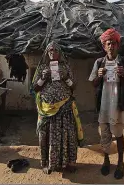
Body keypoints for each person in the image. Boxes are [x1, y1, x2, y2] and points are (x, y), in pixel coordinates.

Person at [88, 28, 124, 179]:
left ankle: (121, 162)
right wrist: (99, 76)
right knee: (105, 135)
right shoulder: (99, 62)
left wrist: (123, 74)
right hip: (104, 106)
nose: (111, 46)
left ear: (118, 45)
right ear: (104, 46)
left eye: (114, 43)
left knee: (119, 135)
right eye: (108, 43)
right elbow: (94, 84)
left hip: (118, 105)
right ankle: (106, 160)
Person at [32, 41, 84, 175]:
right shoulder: (42, 67)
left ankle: (69, 163)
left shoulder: (65, 67)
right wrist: (43, 78)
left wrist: (66, 78)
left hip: (65, 108)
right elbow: (34, 88)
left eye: (55, 50)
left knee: (68, 136)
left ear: (59, 53)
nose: (52, 53)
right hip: (47, 110)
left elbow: (73, 87)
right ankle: (48, 164)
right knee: (46, 137)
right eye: (50, 50)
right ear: (47, 53)